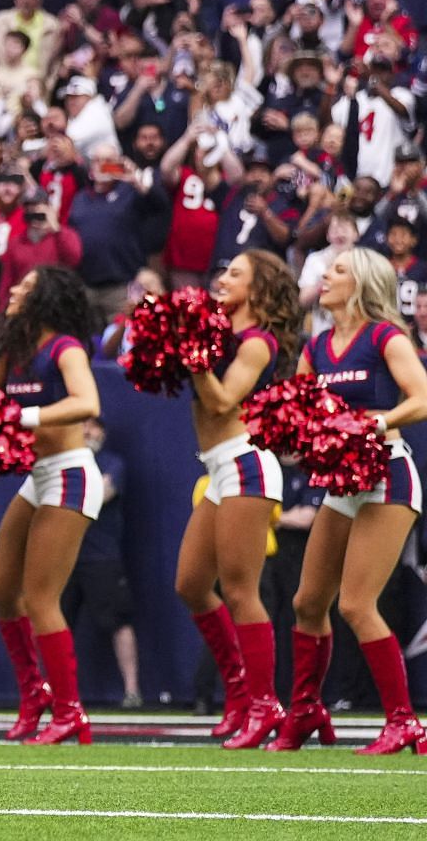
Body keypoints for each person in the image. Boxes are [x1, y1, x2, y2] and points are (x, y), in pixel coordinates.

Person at [0, 265, 102, 745]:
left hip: (71, 473)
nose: (13, 290)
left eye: (25, 287)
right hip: (38, 479)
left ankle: (71, 712)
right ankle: (35, 697)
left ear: (45, 298)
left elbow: (87, 402)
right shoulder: (12, 355)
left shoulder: (64, 348)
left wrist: (21, 416)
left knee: (40, 598)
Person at [276, 247, 427, 755]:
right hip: (341, 482)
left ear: (361, 282)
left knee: (357, 604)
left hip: (388, 474)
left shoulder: (385, 336)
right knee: (307, 602)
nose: (325, 276)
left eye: (338, 270)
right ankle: (305, 711)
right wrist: (286, 434)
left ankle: (403, 722)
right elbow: (297, 412)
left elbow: (422, 398)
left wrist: (371, 423)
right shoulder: (316, 347)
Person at [176, 251, 303, 748]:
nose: (222, 279)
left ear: (258, 290)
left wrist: (191, 355)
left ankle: (264, 702)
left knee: (240, 591)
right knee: (190, 584)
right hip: (219, 468)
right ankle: (238, 692)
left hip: (247, 463)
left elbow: (223, 401)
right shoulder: (220, 337)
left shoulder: (256, 342)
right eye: (223, 272)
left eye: (235, 274)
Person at [60, 418, 141, 709]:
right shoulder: (61, 463)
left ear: (102, 432)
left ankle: (132, 691)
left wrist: (68, 495)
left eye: (93, 426)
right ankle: (58, 693)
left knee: (119, 621)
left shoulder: (112, 462)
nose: (86, 431)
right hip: (63, 558)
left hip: (102, 557)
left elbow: (101, 495)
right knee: (54, 624)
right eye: (80, 425)